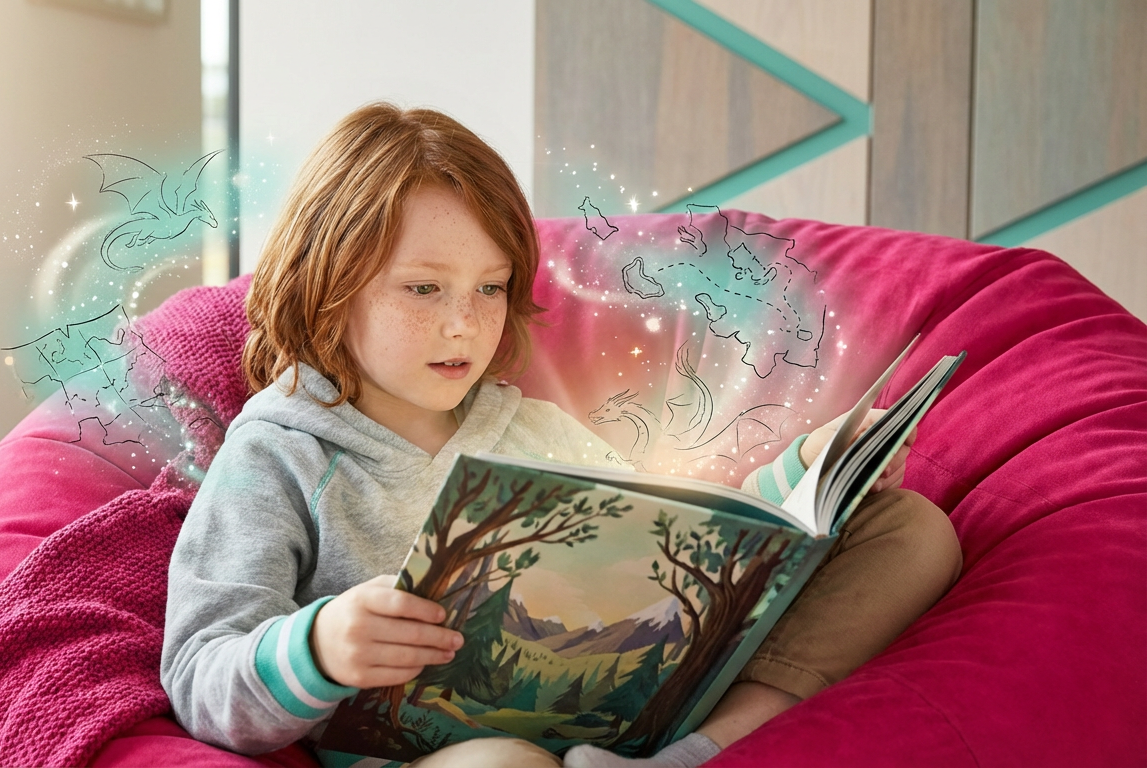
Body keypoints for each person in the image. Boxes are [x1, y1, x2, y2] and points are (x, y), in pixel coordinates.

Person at [161, 102, 962, 768]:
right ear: (327, 285)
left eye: (491, 288)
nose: (463, 321)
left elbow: (678, 532)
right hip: (439, 757)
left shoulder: (533, 427)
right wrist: (318, 648)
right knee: (504, 764)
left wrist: (807, 482)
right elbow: (198, 677)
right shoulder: (275, 455)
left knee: (911, 531)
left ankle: (706, 751)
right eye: (423, 288)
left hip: (625, 711)